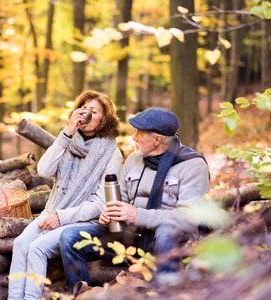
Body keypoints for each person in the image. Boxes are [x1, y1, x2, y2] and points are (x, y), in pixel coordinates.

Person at [59, 107, 210, 294]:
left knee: (166, 233)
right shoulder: (134, 159)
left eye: (139, 133)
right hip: (130, 236)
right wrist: (109, 212)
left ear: (157, 140)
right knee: (70, 238)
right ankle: (82, 294)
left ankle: (161, 295)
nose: (134, 137)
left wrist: (138, 215)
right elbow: (120, 198)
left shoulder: (192, 165)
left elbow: (189, 218)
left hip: (166, 241)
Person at [7, 90, 123, 300]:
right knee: (21, 244)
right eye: (83, 109)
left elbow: (100, 203)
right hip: (51, 211)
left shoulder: (111, 154)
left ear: (104, 118)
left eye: (93, 111)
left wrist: (61, 217)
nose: (86, 114)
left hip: (83, 220)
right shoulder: (68, 141)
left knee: (37, 248)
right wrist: (67, 133)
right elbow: (44, 170)